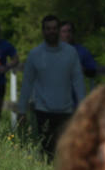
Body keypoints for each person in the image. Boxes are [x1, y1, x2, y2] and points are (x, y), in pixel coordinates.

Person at [17, 14, 85, 159]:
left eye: (54, 28)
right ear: (43, 31)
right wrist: (21, 110)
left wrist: (83, 106)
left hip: (65, 110)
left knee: (65, 151)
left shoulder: (70, 53)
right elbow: (27, 83)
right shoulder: (35, 54)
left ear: (58, 30)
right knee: (47, 152)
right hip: (43, 110)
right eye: (48, 29)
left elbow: (78, 81)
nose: (51, 31)